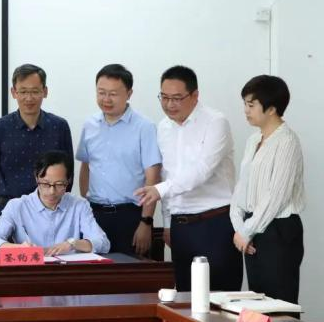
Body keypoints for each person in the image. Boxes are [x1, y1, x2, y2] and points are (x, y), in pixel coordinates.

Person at [135, 65, 242, 292]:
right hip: (181, 227)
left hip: (215, 223)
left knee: (222, 297)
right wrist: (167, 223)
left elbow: (202, 171)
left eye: (176, 98)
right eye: (164, 97)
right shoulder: (163, 127)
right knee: (186, 298)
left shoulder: (215, 122)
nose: (169, 104)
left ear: (195, 95)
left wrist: (159, 190)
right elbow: (167, 174)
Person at [230, 75, 305, 303]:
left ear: (271, 109)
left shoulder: (287, 141)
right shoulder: (253, 140)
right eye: (245, 104)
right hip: (252, 229)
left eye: (251, 105)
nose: (246, 110)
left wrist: (247, 231)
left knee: (280, 303)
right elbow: (242, 187)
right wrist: (240, 227)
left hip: (278, 229)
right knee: (258, 301)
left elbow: (276, 195)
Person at [76, 64, 162, 256]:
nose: (106, 99)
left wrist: (146, 221)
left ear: (129, 93)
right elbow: (86, 166)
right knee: (94, 271)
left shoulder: (144, 127)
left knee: (131, 271)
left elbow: (153, 178)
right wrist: (85, 204)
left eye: (113, 94)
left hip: (130, 216)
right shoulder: (90, 125)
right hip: (95, 216)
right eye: (101, 92)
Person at [0, 64, 73, 224]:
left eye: (35, 91)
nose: (29, 98)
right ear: (13, 92)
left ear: (45, 91)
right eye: (23, 92)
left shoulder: (59, 127)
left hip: (51, 210)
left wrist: (53, 197)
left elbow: (68, 171)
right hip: (9, 209)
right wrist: (4, 197)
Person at [0, 150, 110, 257]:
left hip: (68, 273)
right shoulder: (17, 206)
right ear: (36, 178)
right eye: (45, 184)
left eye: (59, 184)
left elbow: (103, 243)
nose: (51, 191)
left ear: (68, 180)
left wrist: (73, 244)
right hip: (31, 273)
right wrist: (18, 248)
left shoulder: (79, 205)